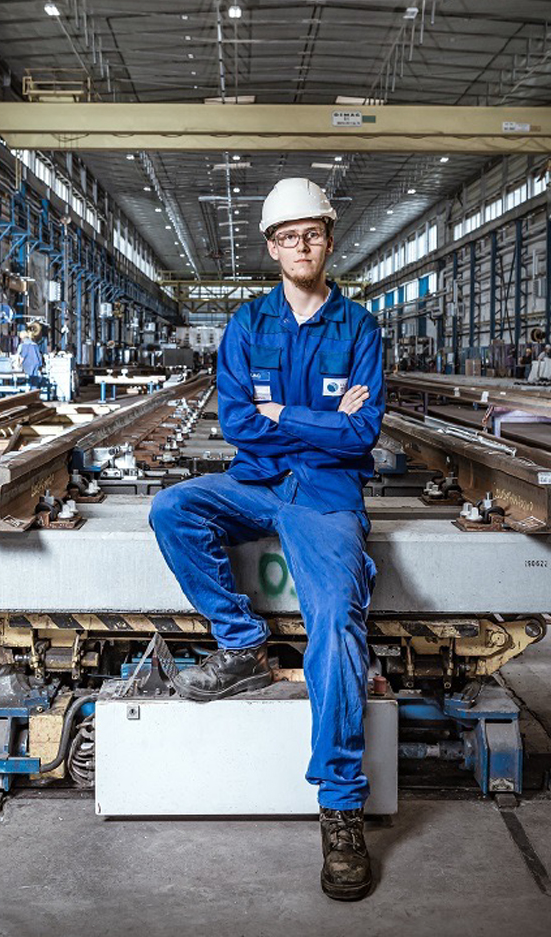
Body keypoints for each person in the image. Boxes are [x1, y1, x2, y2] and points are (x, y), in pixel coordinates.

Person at [149, 178, 385, 902]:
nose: (299, 246)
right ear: (271, 246)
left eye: (310, 233)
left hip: (324, 497)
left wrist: (281, 412)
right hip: (254, 483)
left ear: (328, 236)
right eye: (286, 236)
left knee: (336, 628)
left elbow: (362, 431)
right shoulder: (247, 324)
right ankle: (241, 642)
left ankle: (340, 806)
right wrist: (313, 419)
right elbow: (237, 422)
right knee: (171, 509)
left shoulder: (359, 329)